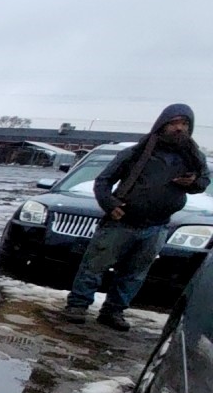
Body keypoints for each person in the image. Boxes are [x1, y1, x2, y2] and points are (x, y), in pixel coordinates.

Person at [62, 104, 209, 330]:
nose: (179, 128)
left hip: (158, 226)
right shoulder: (137, 152)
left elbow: (203, 182)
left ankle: (114, 311)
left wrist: (193, 183)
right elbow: (103, 181)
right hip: (122, 222)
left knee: (134, 274)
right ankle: (78, 305)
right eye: (174, 123)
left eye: (185, 123)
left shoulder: (192, 157)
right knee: (94, 266)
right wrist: (110, 204)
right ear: (162, 124)